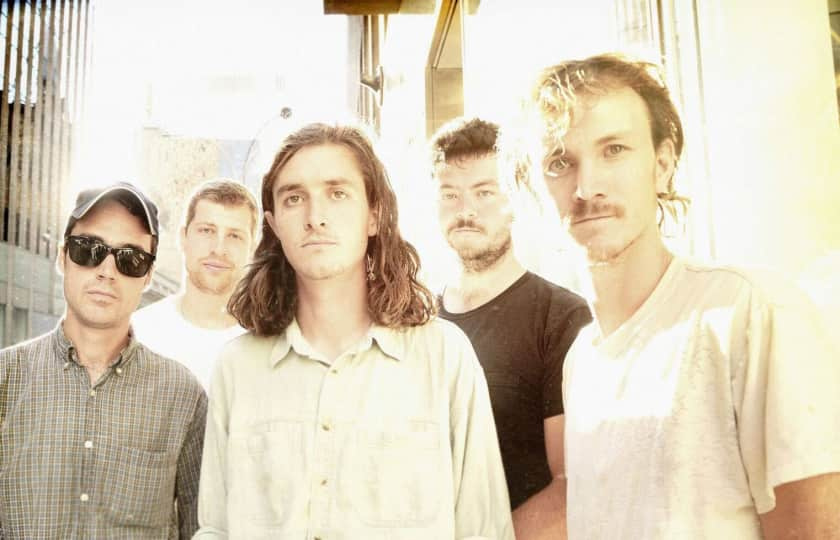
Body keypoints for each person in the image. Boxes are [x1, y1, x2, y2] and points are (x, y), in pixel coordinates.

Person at [516, 52, 840, 538]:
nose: (587, 187)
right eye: (560, 162)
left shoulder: (748, 311)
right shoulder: (582, 361)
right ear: (536, 188)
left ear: (663, 165)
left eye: (614, 149)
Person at [194, 122, 513, 539]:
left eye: (337, 193)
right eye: (294, 199)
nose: (315, 218)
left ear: (374, 215)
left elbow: (485, 531)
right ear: (273, 224)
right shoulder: (237, 366)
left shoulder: (444, 356)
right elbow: (215, 528)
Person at [0, 182, 207, 538]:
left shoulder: (184, 397)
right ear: (62, 257)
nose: (107, 271)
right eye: (88, 249)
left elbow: (201, 530)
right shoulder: (5, 378)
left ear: (148, 276)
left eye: (131, 259)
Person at [429, 116, 590, 538]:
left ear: (515, 199)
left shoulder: (561, 318)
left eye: (485, 192)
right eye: (450, 194)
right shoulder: (414, 322)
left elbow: (572, 487)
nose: (466, 211)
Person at [132, 179, 258, 389]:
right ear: (183, 238)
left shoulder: (271, 348)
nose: (219, 249)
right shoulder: (139, 333)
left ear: (252, 249)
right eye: (207, 231)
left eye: (234, 236)